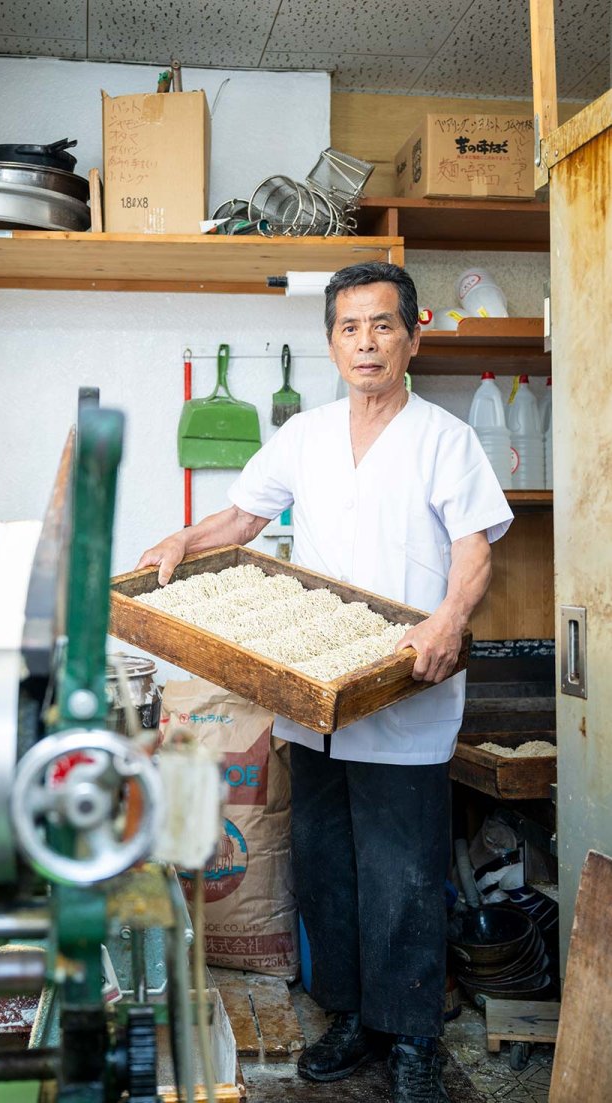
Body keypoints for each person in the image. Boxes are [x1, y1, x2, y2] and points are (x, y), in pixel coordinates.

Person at [136, 262, 513, 1103]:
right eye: (349, 327)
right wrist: (180, 542)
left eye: (383, 325)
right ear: (333, 343)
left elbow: (475, 547)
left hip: (403, 689)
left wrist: (449, 619)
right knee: (328, 865)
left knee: (405, 871)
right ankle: (349, 1014)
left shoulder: (444, 439)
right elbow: (243, 516)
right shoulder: (305, 435)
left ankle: (412, 1032)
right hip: (313, 698)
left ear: (412, 337)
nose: (366, 342)